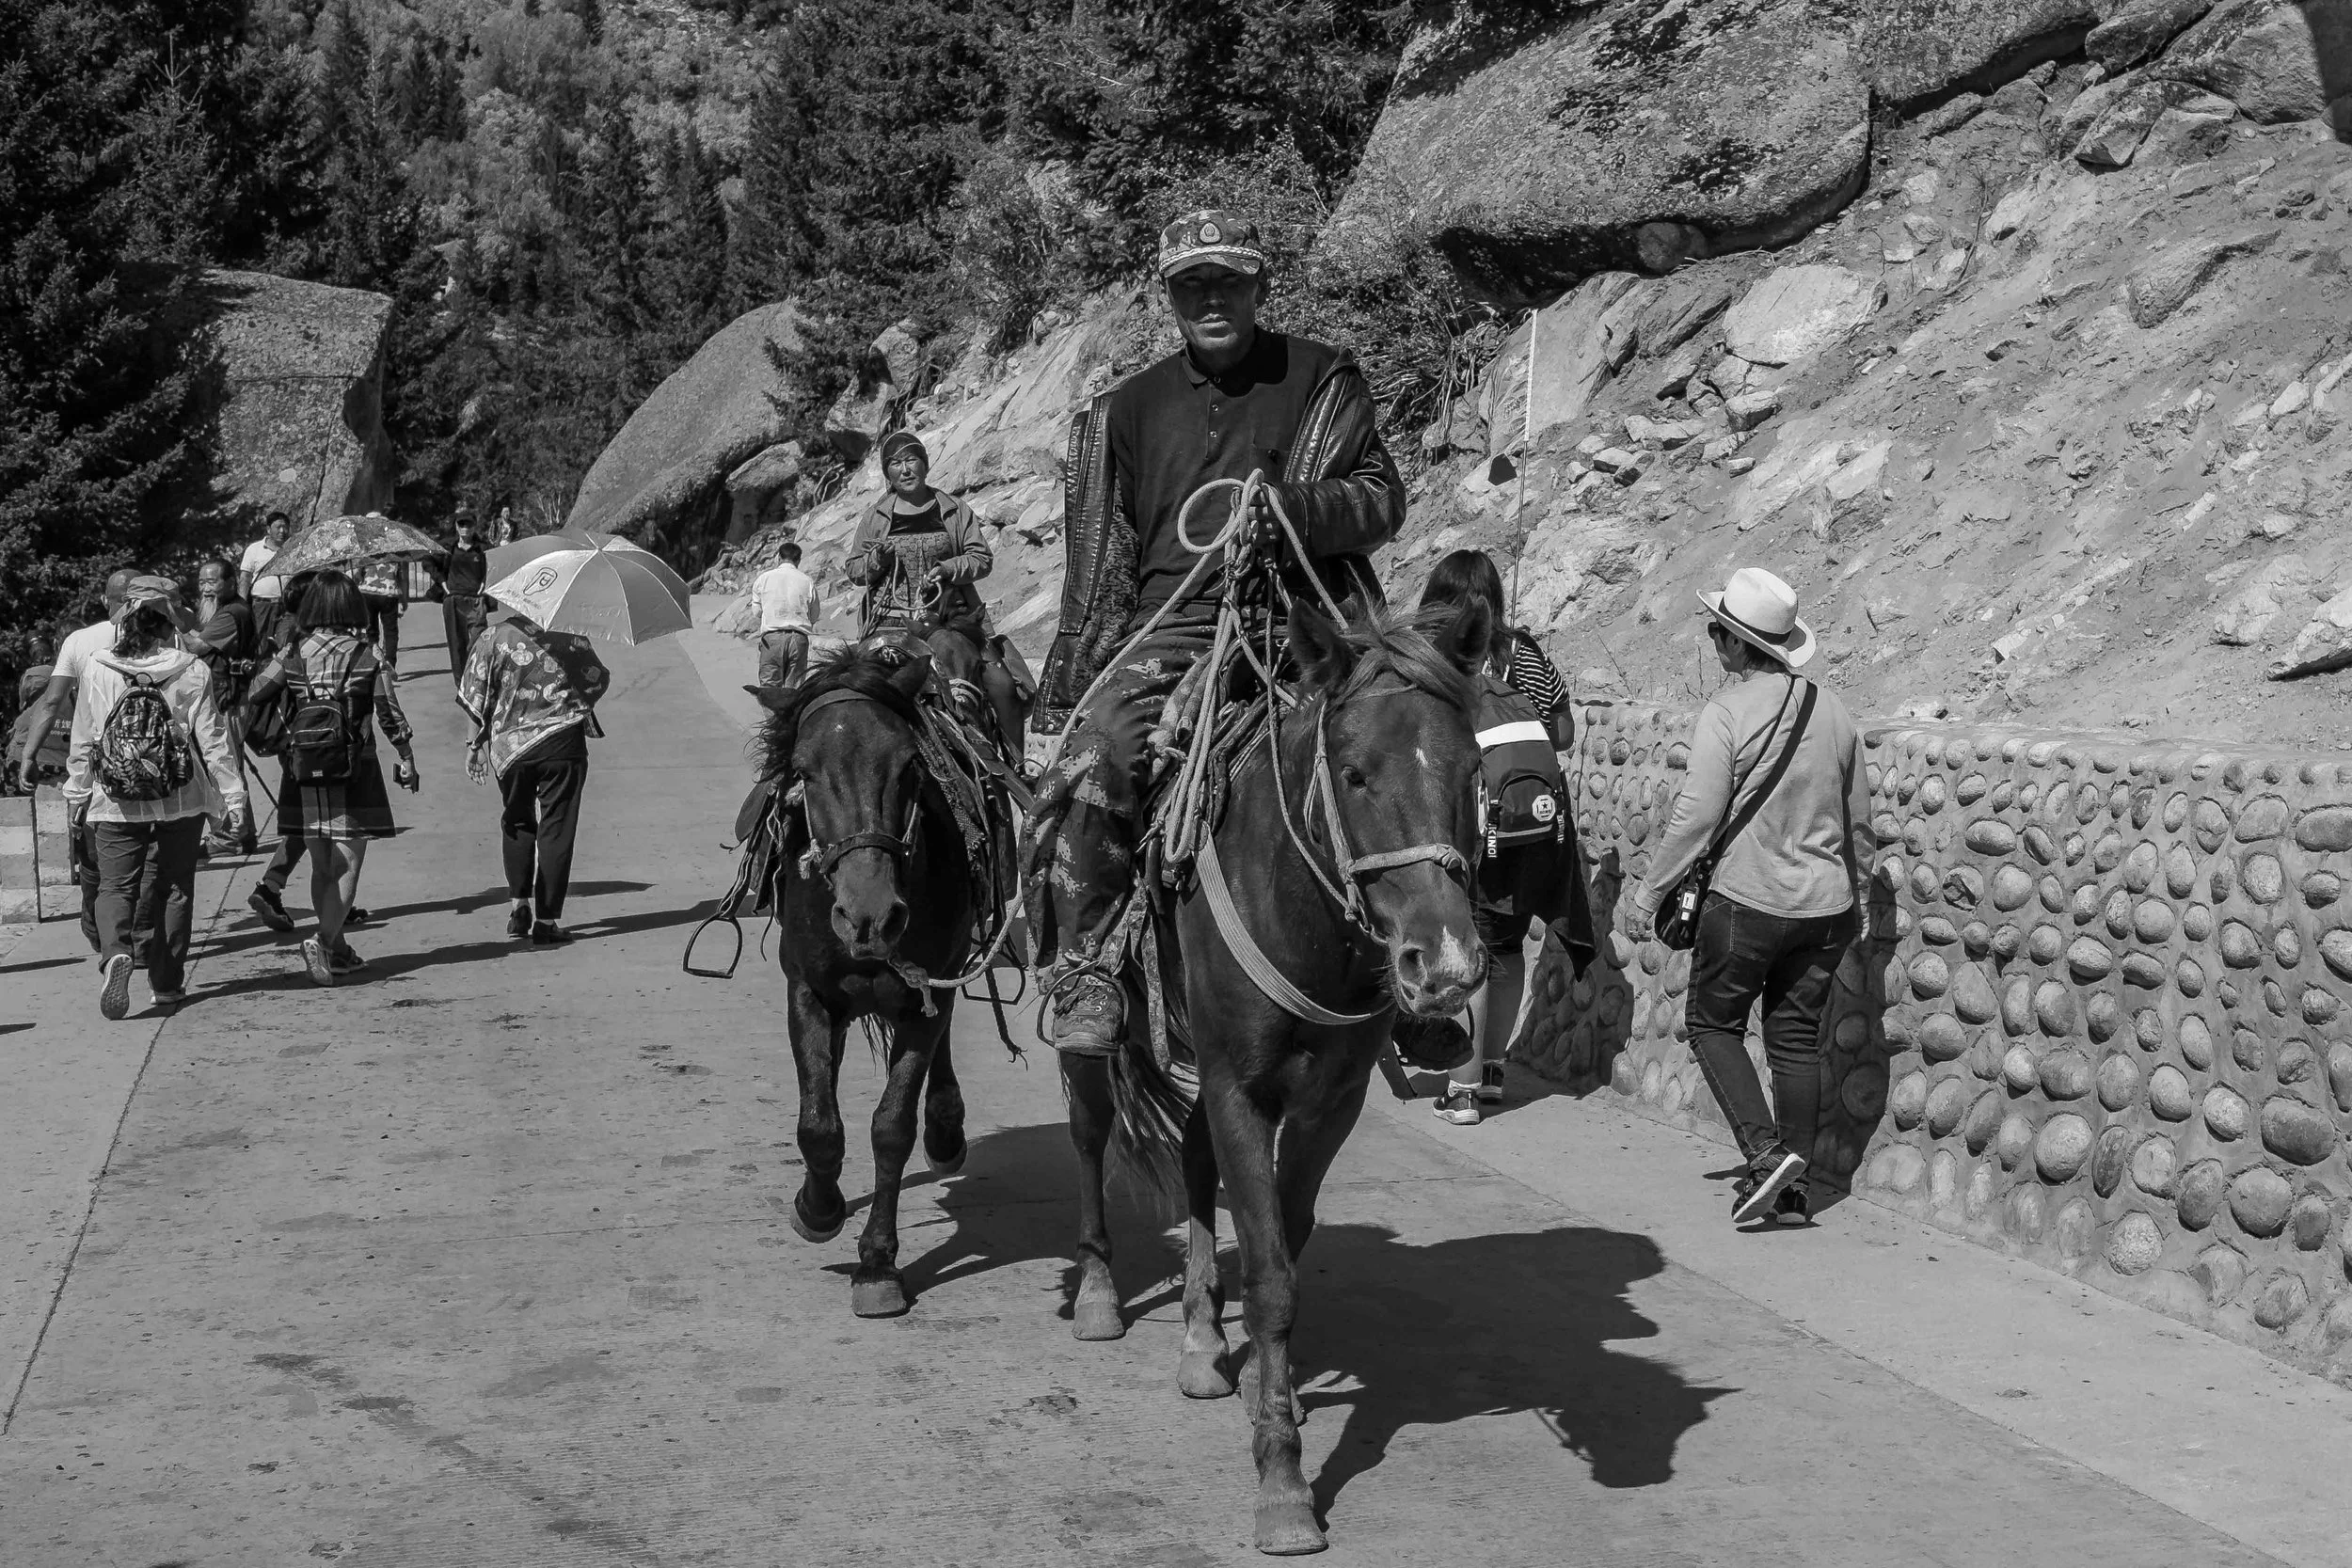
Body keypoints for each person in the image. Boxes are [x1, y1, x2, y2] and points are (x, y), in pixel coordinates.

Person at [1028, 208, 1406, 1055]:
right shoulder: (1125, 409)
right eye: (1192, 284)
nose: (1211, 298)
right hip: (1172, 633)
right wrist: (1068, 688)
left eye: (1228, 281)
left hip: (1303, 623)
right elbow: (1100, 576)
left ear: (1260, 286)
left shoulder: (1321, 377)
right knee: (1097, 759)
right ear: (1168, 295)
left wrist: (1296, 509)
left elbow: (1384, 498)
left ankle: (1419, 969)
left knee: (1402, 748)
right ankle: (1088, 968)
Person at [1620, 567, 1874, 1227]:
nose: (1713, 643)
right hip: (1825, 909)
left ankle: (1765, 1154)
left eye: (1716, 633)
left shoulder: (1727, 713)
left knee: (1711, 1025)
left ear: (1737, 644)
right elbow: (1861, 822)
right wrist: (1865, 902)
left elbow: (1697, 816)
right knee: (1793, 1040)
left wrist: (1648, 893)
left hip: (1747, 902)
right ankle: (1792, 1192)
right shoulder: (1835, 711)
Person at [1415, 549, 1595, 1126]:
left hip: (1477, 827)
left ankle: (1463, 1089)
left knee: (1471, 948)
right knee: (1509, 947)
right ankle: (1492, 1073)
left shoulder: (1440, 659)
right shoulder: (1525, 653)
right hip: (1537, 824)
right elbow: (1561, 732)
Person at [62, 578, 246, 1018]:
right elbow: (214, 739)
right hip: (179, 794)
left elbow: (85, 737)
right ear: (167, 623)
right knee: (174, 887)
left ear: (124, 622)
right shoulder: (190, 668)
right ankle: (166, 985)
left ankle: (115, 953)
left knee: (115, 886)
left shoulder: (98, 667)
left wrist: (77, 792)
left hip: (115, 796)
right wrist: (233, 799)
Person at [242, 570, 421, 985]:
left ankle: (337, 949)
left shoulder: (293, 653)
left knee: (323, 865)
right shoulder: (367, 654)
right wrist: (407, 757)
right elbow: (389, 712)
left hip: (302, 766)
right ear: (350, 606)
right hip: (353, 766)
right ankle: (322, 939)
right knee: (349, 864)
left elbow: (255, 691)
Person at [457, 603, 611, 944]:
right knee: (557, 827)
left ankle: (518, 905)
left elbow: (474, 696)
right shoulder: (571, 636)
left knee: (516, 820)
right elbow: (598, 679)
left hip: (509, 750)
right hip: (562, 745)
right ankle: (546, 920)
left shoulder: (492, 638)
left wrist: (473, 745)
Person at [19, 568, 139, 950]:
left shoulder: (80, 640)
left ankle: (96, 926)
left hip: (93, 763)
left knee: (91, 850)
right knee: (145, 854)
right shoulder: (162, 636)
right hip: (149, 762)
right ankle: (132, 936)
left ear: (106, 601)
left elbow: (52, 702)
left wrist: (28, 753)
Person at [183, 558, 260, 854]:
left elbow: (197, 647)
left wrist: (174, 620)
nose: (205, 589)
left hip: (228, 700)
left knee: (221, 766)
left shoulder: (232, 613)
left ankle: (227, 838)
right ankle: (244, 834)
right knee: (229, 766)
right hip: (224, 697)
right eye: (201, 582)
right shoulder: (223, 611)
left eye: (212, 582)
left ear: (230, 583)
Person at [751, 541, 820, 690]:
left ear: (778, 558)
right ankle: (791, 714)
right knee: (794, 689)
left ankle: (772, 715)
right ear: (798, 561)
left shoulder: (764, 579)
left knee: (769, 688)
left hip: (772, 638)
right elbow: (814, 615)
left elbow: (756, 612)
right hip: (798, 638)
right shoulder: (807, 581)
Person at [437, 508, 490, 683]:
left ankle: (477, 678)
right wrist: (443, 584)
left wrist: (484, 582)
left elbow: (493, 567)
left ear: (475, 526)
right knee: (457, 643)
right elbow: (429, 562)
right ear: (456, 526)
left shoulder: (482, 549)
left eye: (469, 524)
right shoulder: (448, 548)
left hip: (476, 600)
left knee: (479, 639)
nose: (465, 528)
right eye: (462, 524)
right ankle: (461, 683)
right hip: (454, 600)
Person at [240, 512, 292, 626]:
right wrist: (241, 604)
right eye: (278, 527)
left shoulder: (293, 549)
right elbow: (245, 577)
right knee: (260, 639)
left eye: (285, 527)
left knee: (284, 640)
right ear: (268, 529)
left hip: (288, 606)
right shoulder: (254, 549)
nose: (282, 531)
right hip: (261, 604)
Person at [358, 556, 405, 674]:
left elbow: (358, 576)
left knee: (370, 629)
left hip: (367, 593)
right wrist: (403, 600)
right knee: (390, 630)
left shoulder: (367, 556)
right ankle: (390, 661)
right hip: (389, 593)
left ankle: (375, 658)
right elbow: (401, 580)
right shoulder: (395, 557)